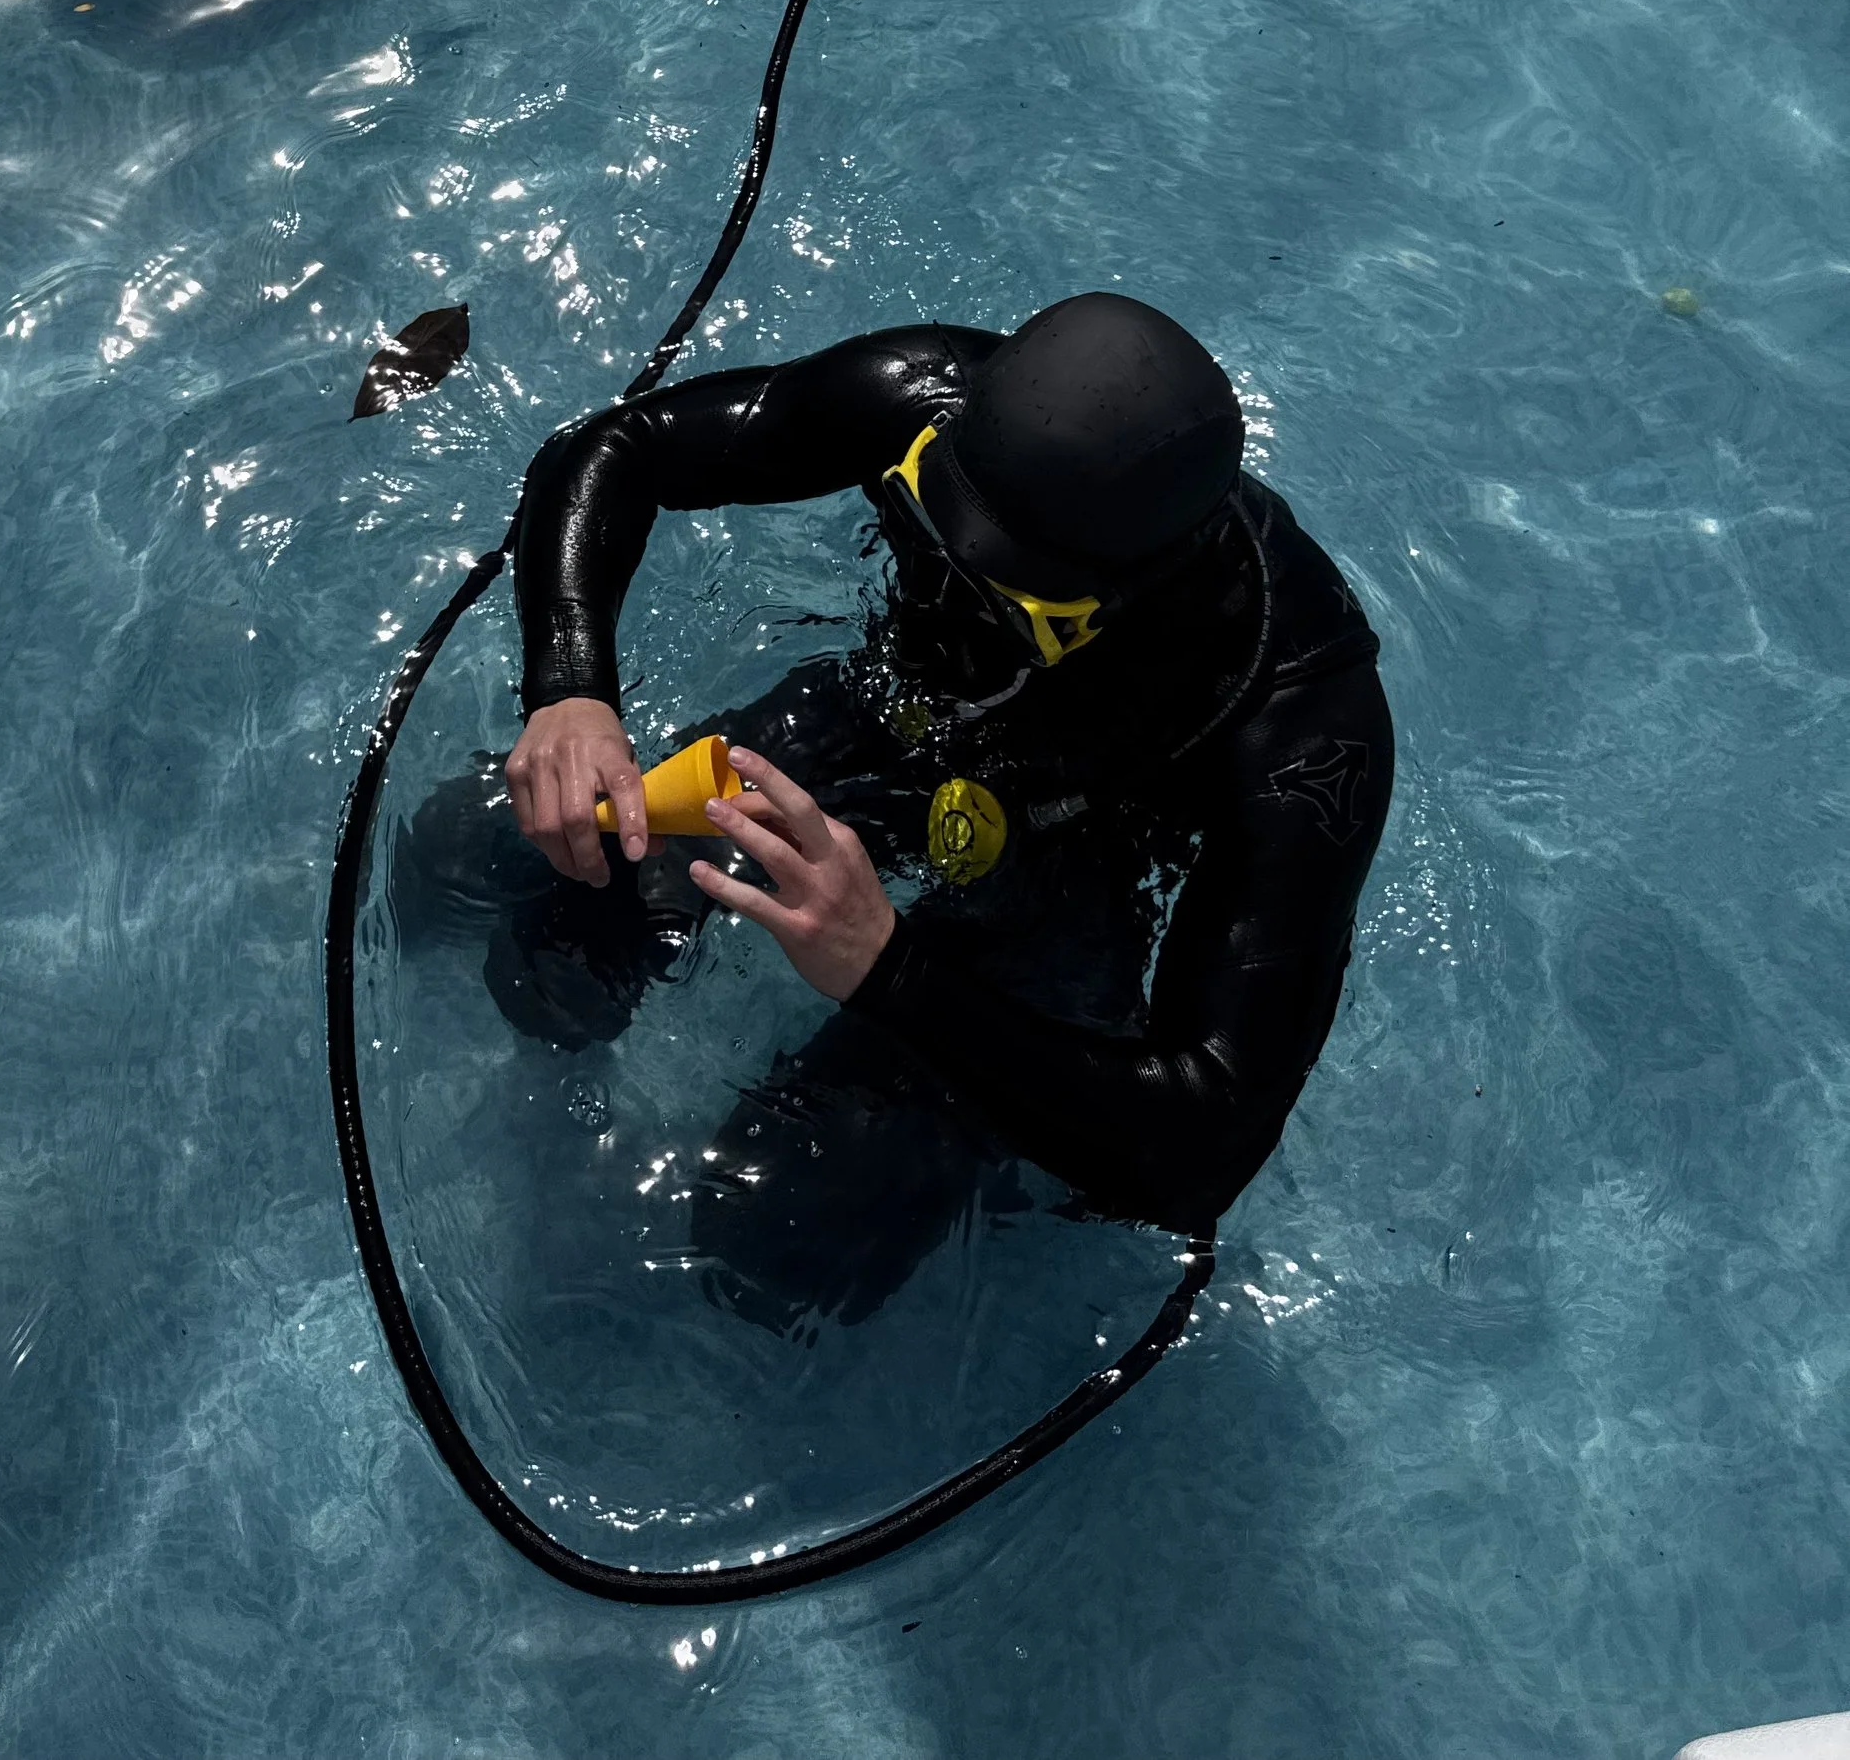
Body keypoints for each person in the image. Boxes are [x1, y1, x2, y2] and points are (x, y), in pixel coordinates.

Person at [430, 291, 1390, 1332]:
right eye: (926, 530)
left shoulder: (1300, 731)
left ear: (1124, 600)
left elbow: (1201, 1148)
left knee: (779, 1234)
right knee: (514, 885)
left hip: (1074, 863)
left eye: (1005, 606)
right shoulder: (927, 396)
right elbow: (618, 446)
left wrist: (888, 969)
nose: (945, 590)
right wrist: (570, 689)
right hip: (888, 721)